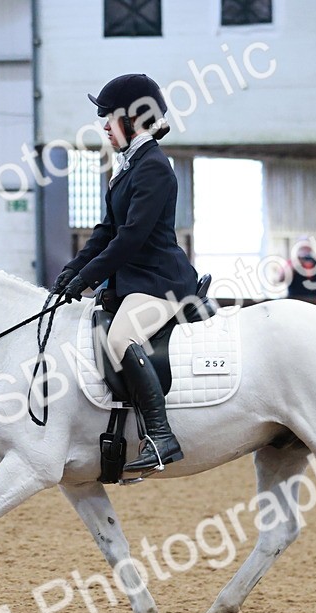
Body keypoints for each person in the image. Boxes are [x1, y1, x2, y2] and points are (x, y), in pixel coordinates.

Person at [52, 73, 199, 473]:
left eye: (109, 117)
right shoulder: (128, 167)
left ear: (134, 120)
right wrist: (70, 272)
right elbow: (106, 231)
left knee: (121, 337)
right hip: (136, 282)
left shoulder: (154, 167)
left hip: (160, 283)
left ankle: (161, 435)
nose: (102, 126)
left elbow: (131, 239)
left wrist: (87, 280)